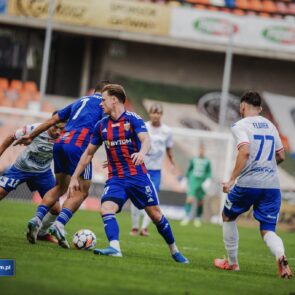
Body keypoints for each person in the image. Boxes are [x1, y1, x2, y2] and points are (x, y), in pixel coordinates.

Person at [68, 84, 188, 263]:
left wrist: (141, 152)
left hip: (138, 177)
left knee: (155, 215)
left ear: (114, 100)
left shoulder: (133, 119)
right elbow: (88, 153)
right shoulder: (101, 126)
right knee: (106, 208)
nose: (101, 104)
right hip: (116, 179)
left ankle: (174, 251)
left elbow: (146, 140)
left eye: (103, 100)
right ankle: (114, 248)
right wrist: (74, 177)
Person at [17, 81, 108, 248]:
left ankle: (36, 219)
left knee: (60, 186)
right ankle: (58, 225)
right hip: (79, 147)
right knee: (82, 191)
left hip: (60, 144)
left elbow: (53, 120)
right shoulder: (105, 105)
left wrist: (31, 136)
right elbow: (109, 131)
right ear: (105, 93)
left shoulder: (80, 101)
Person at [214, 91, 292, 279]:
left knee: (227, 216)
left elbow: (245, 151)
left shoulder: (240, 125)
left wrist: (231, 179)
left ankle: (232, 264)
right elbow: (281, 156)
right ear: (260, 109)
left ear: (242, 106)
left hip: (249, 183)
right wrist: (267, 168)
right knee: (267, 229)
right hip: (272, 185)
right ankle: (281, 256)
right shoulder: (272, 126)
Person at [0, 112, 65, 242]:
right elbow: (11, 137)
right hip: (20, 169)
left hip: (43, 173)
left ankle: (42, 233)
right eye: (55, 127)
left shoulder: (65, 137)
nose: (58, 131)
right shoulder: (34, 129)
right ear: (50, 122)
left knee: (56, 208)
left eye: (61, 129)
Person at [130, 103, 175, 237]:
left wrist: (172, 163)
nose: (155, 115)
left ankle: (144, 228)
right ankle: (134, 227)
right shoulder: (143, 126)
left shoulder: (167, 131)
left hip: (155, 171)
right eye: (153, 112)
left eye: (158, 113)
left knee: (152, 200)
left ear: (161, 114)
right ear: (150, 114)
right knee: (135, 197)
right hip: (140, 168)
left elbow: (169, 150)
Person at [180, 143, 211, 227]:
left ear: (204, 151)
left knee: (200, 201)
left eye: (203, 150)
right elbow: (189, 169)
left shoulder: (207, 161)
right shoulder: (194, 159)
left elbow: (209, 172)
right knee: (190, 199)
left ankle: (198, 218)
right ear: (198, 151)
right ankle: (186, 217)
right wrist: (185, 179)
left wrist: (208, 180)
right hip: (193, 181)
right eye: (200, 150)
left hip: (201, 183)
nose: (201, 152)